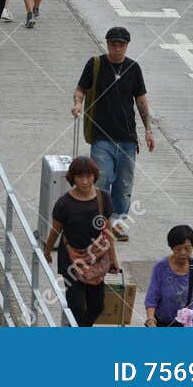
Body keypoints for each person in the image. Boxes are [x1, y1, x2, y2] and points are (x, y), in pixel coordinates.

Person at [73, 26, 155, 241]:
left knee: (124, 184)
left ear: (127, 46)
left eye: (121, 45)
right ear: (107, 44)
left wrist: (148, 130)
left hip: (127, 138)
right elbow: (81, 89)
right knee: (102, 180)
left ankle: (117, 223)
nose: (117, 48)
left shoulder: (133, 68)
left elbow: (141, 101)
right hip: (102, 137)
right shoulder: (96, 65)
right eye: (113, 44)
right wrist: (77, 105)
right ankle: (101, 224)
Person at [42, 155, 117, 327]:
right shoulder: (64, 204)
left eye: (89, 176)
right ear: (72, 178)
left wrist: (114, 259)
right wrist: (47, 251)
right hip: (71, 259)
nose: (84, 181)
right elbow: (55, 231)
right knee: (76, 308)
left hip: (96, 258)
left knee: (97, 306)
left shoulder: (103, 198)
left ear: (95, 176)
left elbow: (108, 230)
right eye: (80, 176)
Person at [145, 224, 193, 327]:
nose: (183, 253)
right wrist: (151, 319)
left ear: (192, 247)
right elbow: (152, 297)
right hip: (164, 323)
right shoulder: (160, 268)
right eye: (178, 249)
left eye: (187, 248)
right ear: (172, 248)